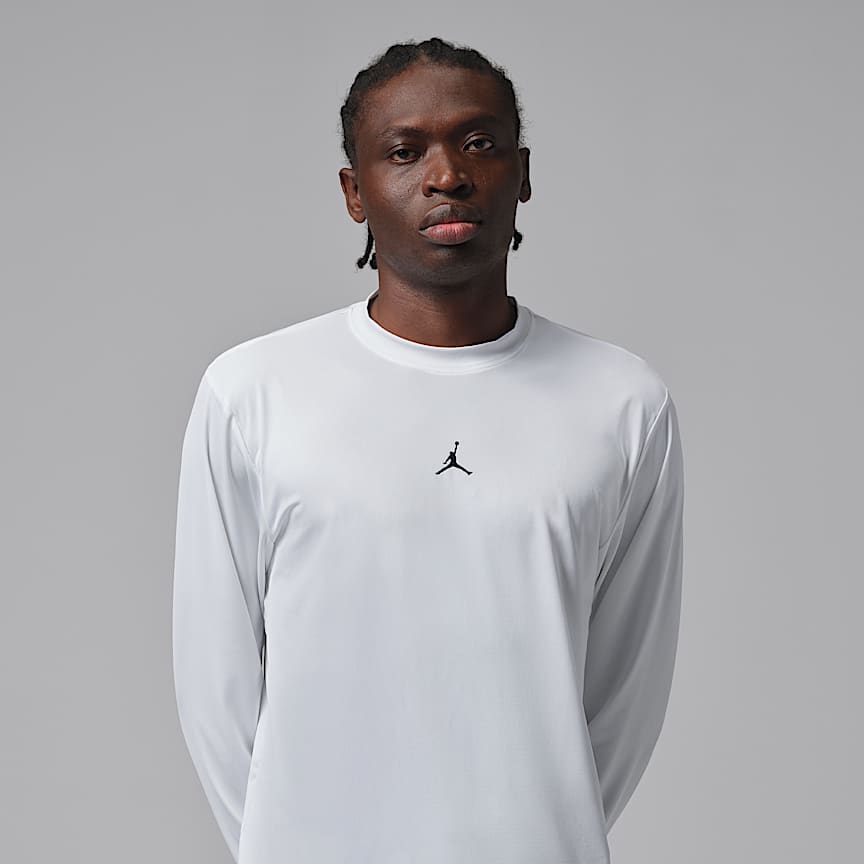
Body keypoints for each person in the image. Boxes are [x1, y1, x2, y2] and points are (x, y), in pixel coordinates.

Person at [172, 36, 685, 864]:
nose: (447, 175)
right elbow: (215, 684)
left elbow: (626, 689)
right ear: (355, 191)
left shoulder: (622, 401)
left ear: (522, 172)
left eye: (478, 143)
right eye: (405, 151)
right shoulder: (253, 391)